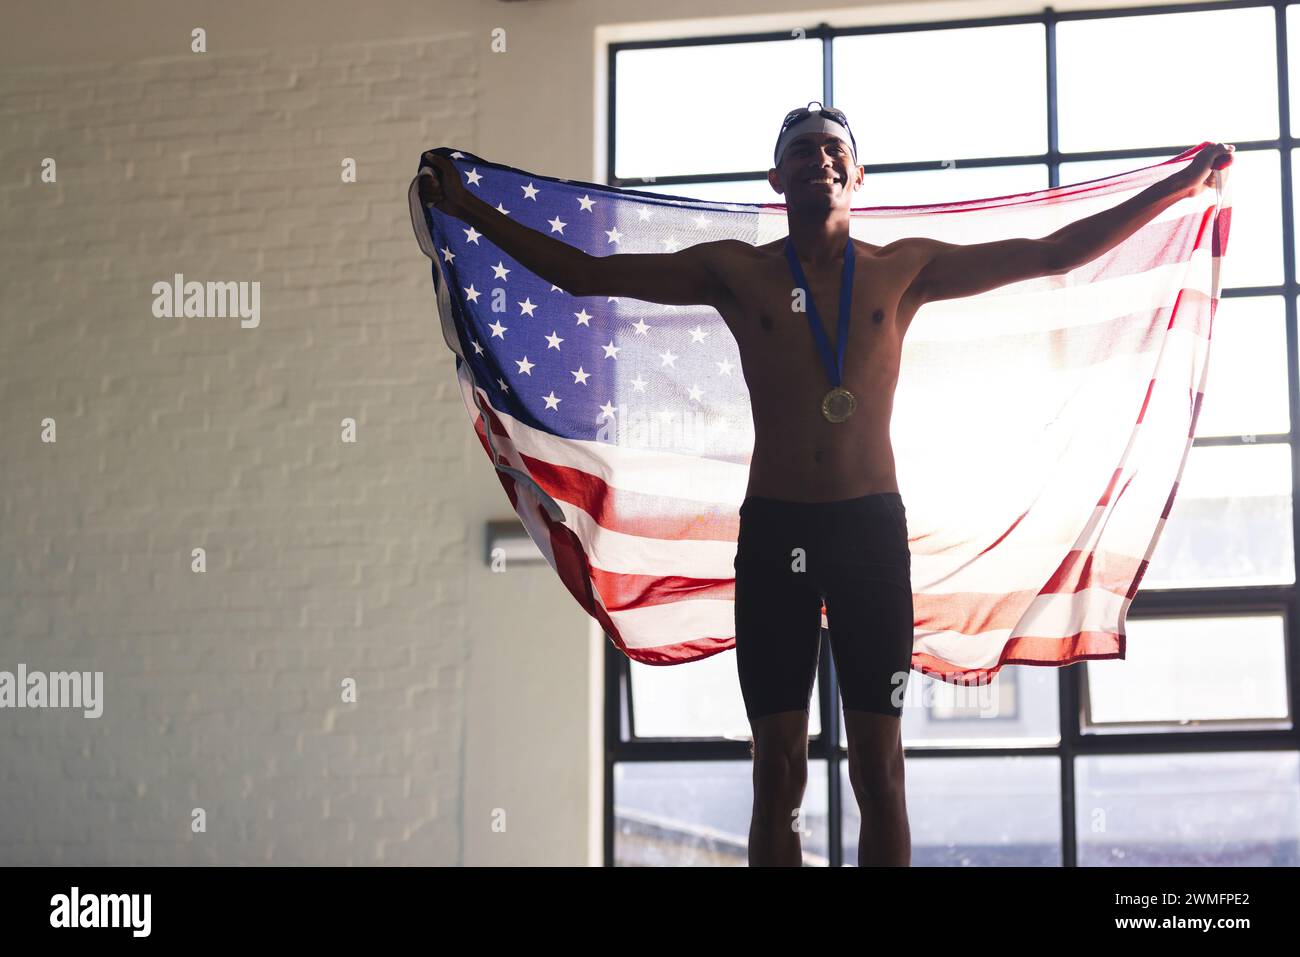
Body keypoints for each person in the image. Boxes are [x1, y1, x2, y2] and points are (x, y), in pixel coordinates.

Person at [419, 110, 1231, 867]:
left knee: (880, 770)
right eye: (802, 150)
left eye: (834, 149)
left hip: (871, 537)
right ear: (776, 180)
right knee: (776, 768)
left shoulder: (905, 269)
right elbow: (590, 274)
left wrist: (1172, 189)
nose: (819, 158)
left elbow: (1051, 254)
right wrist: (471, 213)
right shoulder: (733, 271)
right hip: (775, 534)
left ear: (858, 176)